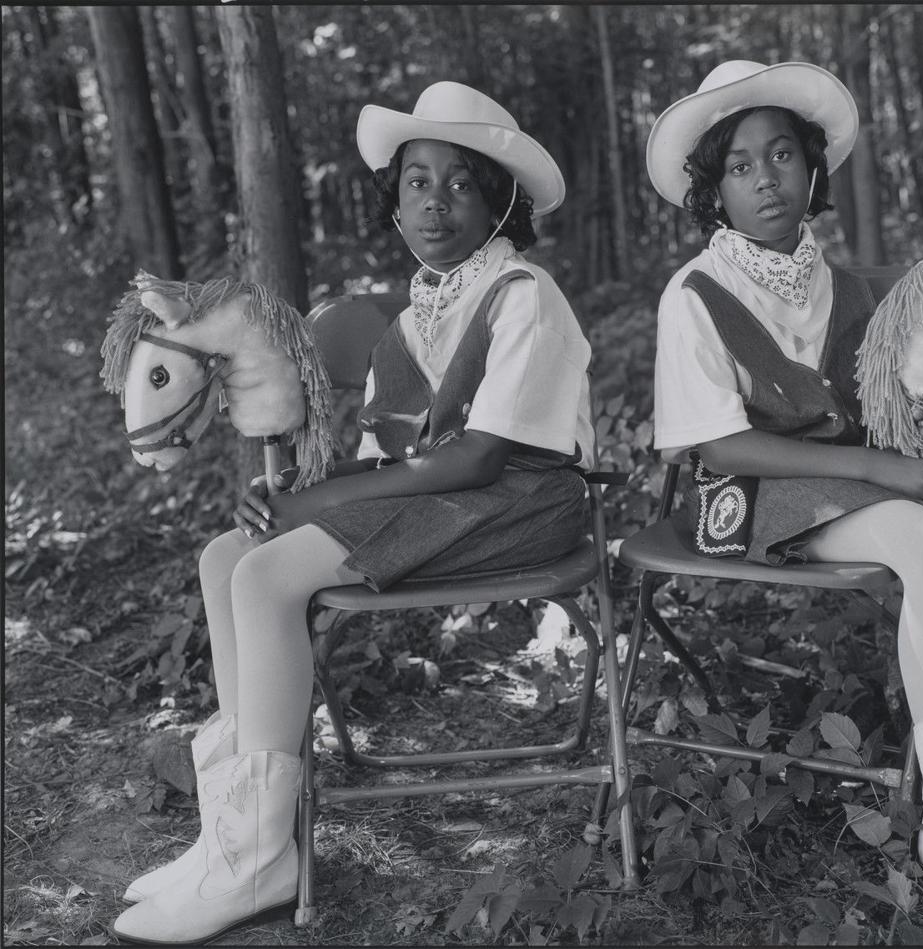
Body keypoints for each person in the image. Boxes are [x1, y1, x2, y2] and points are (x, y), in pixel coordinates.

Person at [112, 80, 595, 944]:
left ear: (499, 200)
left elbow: (482, 455)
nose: (436, 201)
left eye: (461, 181)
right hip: (446, 501)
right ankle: (229, 831)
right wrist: (295, 502)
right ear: (395, 199)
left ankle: (262, 859)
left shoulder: (524, 294)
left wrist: (317, 503)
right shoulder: (410, 320)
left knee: (264, 577)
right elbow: (387, 460)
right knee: (227, 557)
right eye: (417, 181)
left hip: (524, 500)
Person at [645, 60, 923, 913]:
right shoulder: (696, 293)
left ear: (812, 167)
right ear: (713, 191)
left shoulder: (838, 283)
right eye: (740, 167)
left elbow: (878, 400)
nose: (765, 179)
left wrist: (894, 440)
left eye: (781, 155)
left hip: (857, 481)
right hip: (750, 493)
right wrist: (871, 465)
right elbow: (717, 439)